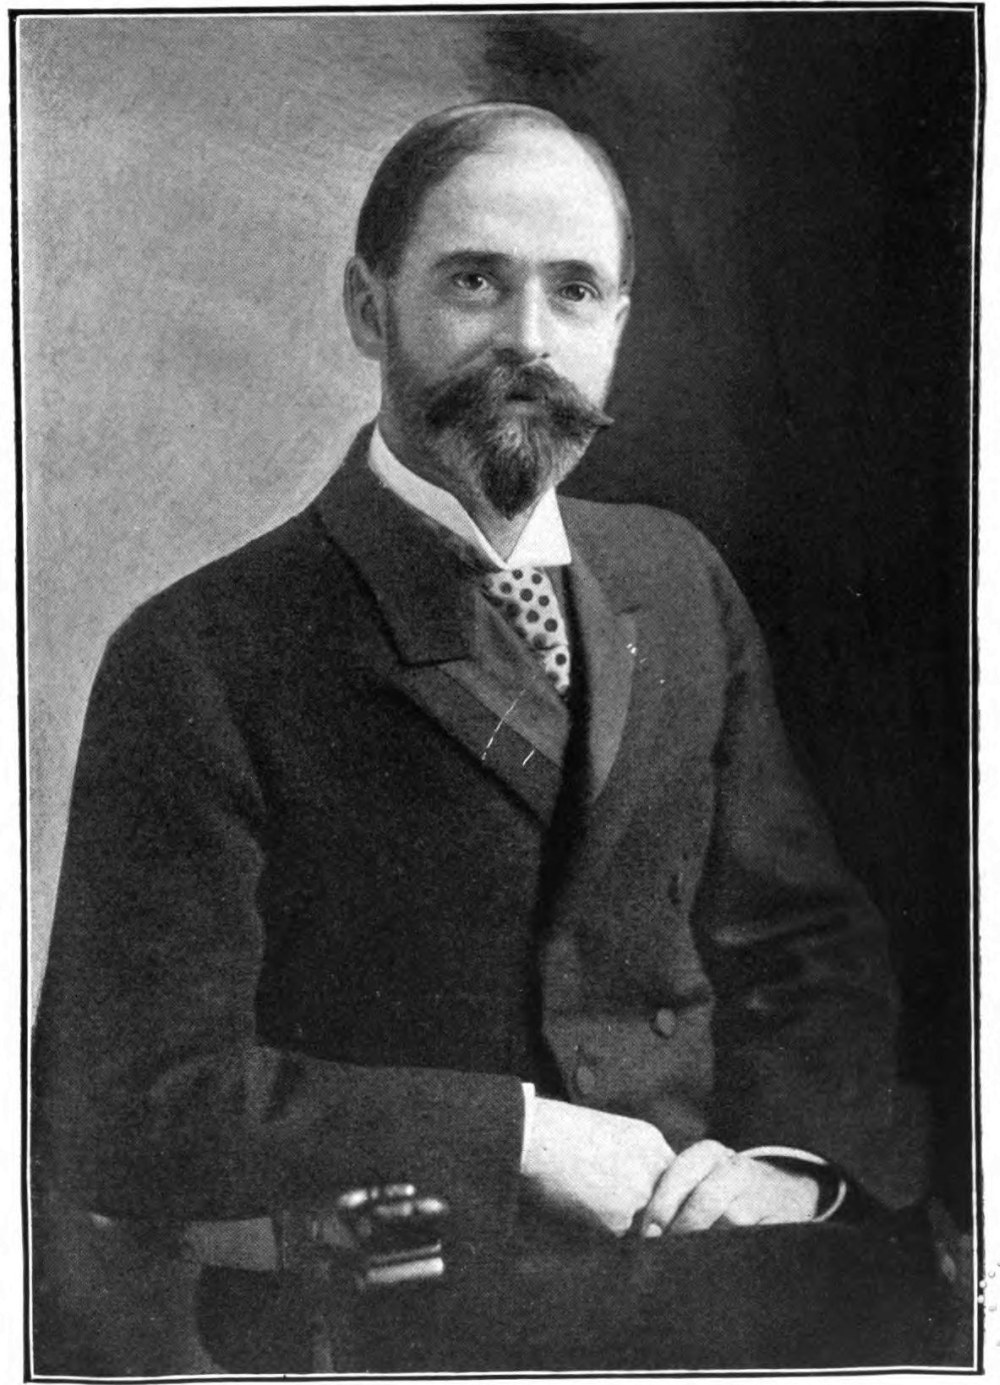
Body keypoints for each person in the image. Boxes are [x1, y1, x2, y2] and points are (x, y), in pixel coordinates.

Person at [33, 102, 930, 1364]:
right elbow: (126, 1099)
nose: (528, 337)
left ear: (617, 326)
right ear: (368, 308)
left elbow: (799, 940)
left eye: (574, 291)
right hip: (383, 1326)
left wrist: (791, 1161)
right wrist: (520, 1136)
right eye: (473, 281)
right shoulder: (202, 649)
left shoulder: (677, 578)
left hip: (718, 1291)